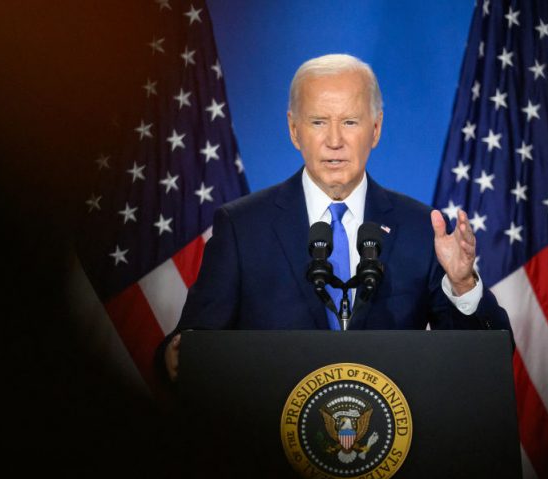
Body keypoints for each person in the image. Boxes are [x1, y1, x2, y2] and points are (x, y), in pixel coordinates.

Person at [157, 54, 510, 382]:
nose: (335, 140)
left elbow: (487, 356)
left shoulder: (420, 228)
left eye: (350, 121)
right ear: (294, 130)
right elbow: (189, 346)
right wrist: (177, 356)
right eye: (318, 122)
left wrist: (464, 285)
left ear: (375, 129)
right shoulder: (242, 227)